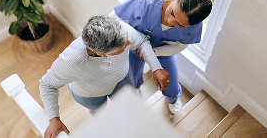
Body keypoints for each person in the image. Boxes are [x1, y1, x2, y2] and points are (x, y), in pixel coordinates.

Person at [39, 15, 170, 138]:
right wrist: (54, 118)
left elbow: (141, 41)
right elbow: (47, 85)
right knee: (102, 114)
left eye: (126, 37)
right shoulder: (71, 61)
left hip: (122, 81)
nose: (129, 41)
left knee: (131, 107)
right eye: (124, 46)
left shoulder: (119, 28)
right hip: (90, 96)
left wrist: (156, 67)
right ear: (103, 54)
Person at [109, 0, 212, 114]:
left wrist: (154, 53)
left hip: (164, 49)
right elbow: (112, 19)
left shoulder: (195, 25)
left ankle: (172, 98)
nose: (170, 21)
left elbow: (179, 46)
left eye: (179, 25)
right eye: (173, 13)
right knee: (133, 73)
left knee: (171, 82)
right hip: (133, 46)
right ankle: (135, 86)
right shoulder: (143, 1)